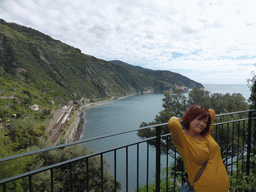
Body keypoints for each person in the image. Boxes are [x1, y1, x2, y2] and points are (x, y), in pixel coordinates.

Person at [168, 105, 230, 192]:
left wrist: (201, 112)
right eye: (199, 119)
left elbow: (211, 112)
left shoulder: (205, 134)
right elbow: (173, 124)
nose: (202, 124)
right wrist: (174, 118)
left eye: (205, 122)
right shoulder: (182, 140)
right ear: (189, 118)